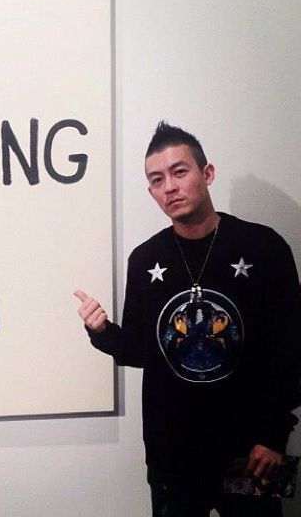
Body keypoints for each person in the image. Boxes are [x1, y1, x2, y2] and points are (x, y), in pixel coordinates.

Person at [75, 122, 301, 517]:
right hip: (172, 455)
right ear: (151, 191)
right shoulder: (145, 259)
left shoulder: (263, 246)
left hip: (251, 450)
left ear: (207, 173)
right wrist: (101, 331)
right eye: (157, 179)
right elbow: (143, 351)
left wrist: (273, 435)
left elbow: (291, 348)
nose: (169, 187)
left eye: (179, 172)